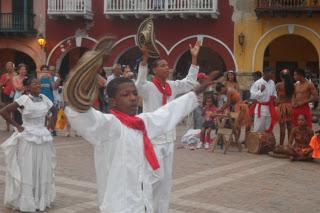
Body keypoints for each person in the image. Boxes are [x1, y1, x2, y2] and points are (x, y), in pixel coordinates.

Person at [65, 76, 211, 212]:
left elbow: (167, 113)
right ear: (113, 101)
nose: (133, 98)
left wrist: (195, 92)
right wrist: (77, 90)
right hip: (118, 203)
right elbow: (84, 116)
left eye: (135, 93)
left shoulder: (141, 123)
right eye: (125, 94)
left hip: (142, 200)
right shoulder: (110, 125)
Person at [135, 41, 201, 212]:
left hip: (169, 138)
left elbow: (189, 82)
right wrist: (144, 59)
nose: (167, 68)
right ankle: (147, 209)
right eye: (163, 65)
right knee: (152, 178)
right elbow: (139, 84)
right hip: (154, 139)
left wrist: (194, 57)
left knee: (165, 180)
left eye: (167, 65)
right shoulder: (148, 87)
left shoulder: (171, 86)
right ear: (154, 70)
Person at [0, 77, 56, 212]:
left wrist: (50, 126)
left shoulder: (44, 98)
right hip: (28, 137)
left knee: (42, 166)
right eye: (34, 83)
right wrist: (18, 126)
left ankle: (39, 198)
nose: (38, 85)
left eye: (38, 83)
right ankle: (26, 200)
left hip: (43, 137)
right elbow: (4, 111)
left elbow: (54, 111)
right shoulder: (23, 99)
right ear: (27, 87)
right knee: (28, 167)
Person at [250, 67, 277, 133]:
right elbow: (253, 96)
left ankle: (265, 143)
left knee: (268, 129)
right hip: (260, 108)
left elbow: (274, 93)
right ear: (265, 73)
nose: (273, 75)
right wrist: (260, 91)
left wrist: (274, 96)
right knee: (258, 129)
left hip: (269, 108)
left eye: (273, 73)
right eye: (271, 73)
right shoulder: (258, 83)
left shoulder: (272, 82)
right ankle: (257, 143)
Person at [276, 69, 295, 146]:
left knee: (282, 127)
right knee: (290, 127)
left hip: (282, 107)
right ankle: (289, 144)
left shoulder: (278, 85)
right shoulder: (292, 85)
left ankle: (281, 145)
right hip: (290, 106)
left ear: (281, 76)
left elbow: (277, 98)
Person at [0, 62, 16, 131]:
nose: (9, 68)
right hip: (6, 94)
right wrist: (6, 80)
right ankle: (8, 126)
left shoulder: (16, 75)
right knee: (7, 110)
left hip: (15, 94)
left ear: (13, 67)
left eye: (10, 66)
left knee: (14, 110)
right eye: (7, 66)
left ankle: (14, 127)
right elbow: (0, 85)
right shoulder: (4, 75)